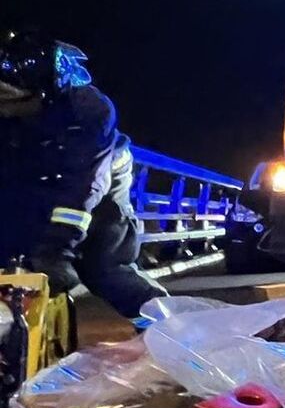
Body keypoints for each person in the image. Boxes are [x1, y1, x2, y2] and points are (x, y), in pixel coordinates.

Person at [0, 29, 166, 317]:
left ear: (44, 94)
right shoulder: (11, 113)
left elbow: (81, 189)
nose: (3, 108)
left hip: (101, 174)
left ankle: (169, 326)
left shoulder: (89, 112)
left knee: (103, 265)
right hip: (35, 174)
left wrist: (56, 251)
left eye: (10, 98)